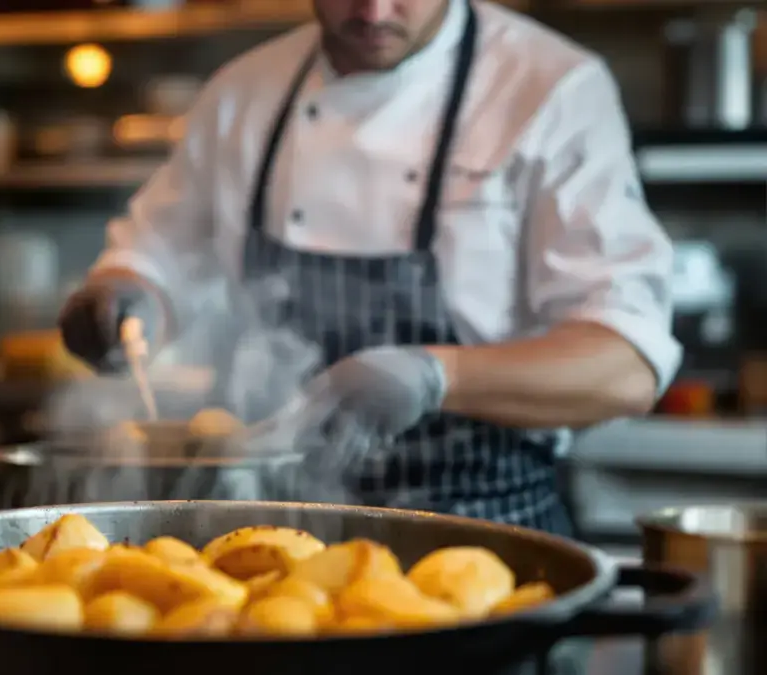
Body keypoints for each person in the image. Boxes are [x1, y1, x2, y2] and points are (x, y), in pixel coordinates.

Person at [57, 0, 679, 536]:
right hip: (272, 540)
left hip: (486, 544)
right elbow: (157, 260)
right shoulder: (243, 95)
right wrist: (123, 301)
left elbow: (625, 365)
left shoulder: (550, 90)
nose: (375, 13)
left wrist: (436, 375)